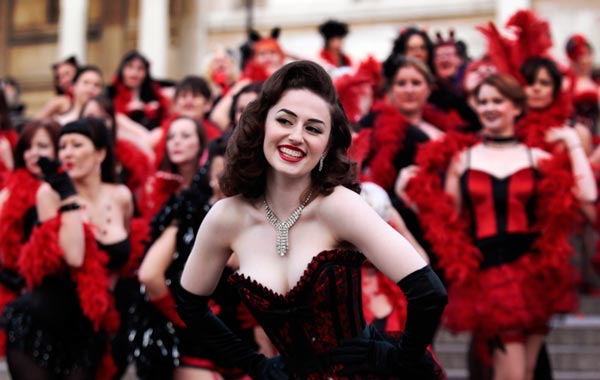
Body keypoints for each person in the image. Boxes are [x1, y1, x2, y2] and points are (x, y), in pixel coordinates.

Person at [175, 60, 447, 379]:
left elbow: (429, 294)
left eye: (313, 128)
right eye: (285, 121)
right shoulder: (226, 217)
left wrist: (398, 359)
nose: (296, 136)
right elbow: (190, 305)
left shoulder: (339, 206)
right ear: (262, 124)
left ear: (328, 144)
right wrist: (255, 364)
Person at [405, 73, 596, 380]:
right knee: (513, 374)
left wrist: (573, 143)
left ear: (517, 107)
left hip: (535, 276)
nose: (489, 107)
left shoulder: (537, 157)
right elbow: (447, 223)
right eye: (482, 102)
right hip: (489, 276)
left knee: (529, 372)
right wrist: (412, 196)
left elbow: (587, 194)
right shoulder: (463, 160)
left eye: (497, 101)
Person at [2, 118, 132, 379]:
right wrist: (69, 196)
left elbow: (122, 259)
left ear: (100, 153)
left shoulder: (121, 195)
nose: (67, 153)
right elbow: (74, 256)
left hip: (88, 331)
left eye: (76, 145)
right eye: (62, 147)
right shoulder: (49, 194)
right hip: (40, 327)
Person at [0, 119, 61, 356]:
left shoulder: (70, 193)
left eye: (43, 146)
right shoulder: (7, 195)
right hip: (17, 294)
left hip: (59, 295)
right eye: (28, 147)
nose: (34, 153)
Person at [36, 65, 105, 125]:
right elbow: (34, 124)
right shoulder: (61, 106)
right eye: (86, 83)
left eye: (97, 85)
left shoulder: (105, 118)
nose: (91, 88)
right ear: (73, 86)